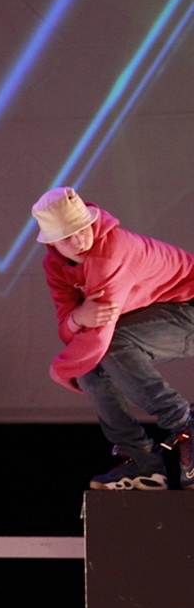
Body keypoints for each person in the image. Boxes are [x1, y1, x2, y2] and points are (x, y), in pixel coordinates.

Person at [32, 186, 194, 491]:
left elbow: (97, 340)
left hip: (190, 306)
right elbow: (67, 329)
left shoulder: (109, 251)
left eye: (82, 229)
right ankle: (142, 459)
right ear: (52, 243)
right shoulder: (54, 265)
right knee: (90, 367)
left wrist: (59, 371)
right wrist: (78, 318)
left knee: (108, 347)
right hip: (164, 311)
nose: (79, 241)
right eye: (67, 237)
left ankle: (185, 424)